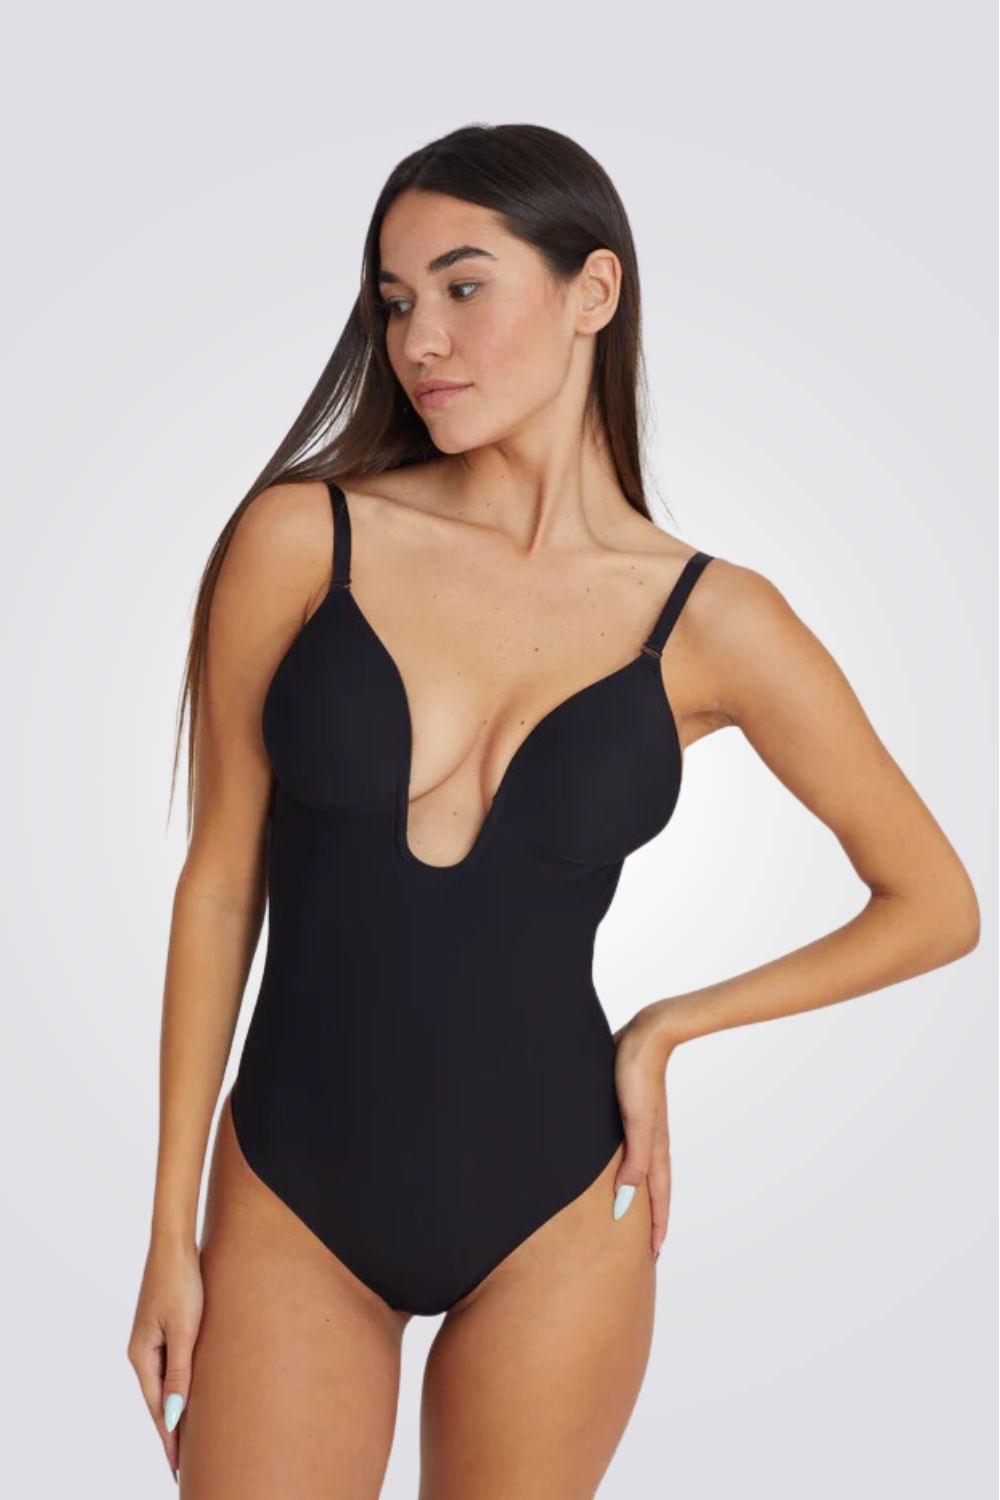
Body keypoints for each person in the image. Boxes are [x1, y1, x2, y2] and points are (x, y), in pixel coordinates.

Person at [127, 124, 980, 1497]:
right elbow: (221, 882)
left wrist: (669, 1026)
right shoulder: (303, 540)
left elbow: (936, 904)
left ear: (594, 291)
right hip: (290, 1189)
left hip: (560, 1208)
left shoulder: (713, 620)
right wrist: (169, 1229)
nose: (420, 340)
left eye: (465, 287)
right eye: (395, 300)